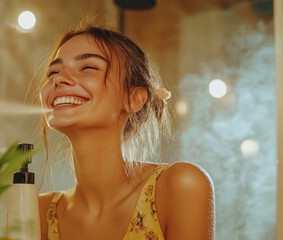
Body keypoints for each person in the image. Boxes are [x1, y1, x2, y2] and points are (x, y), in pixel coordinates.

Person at [38, 21, 215, 240]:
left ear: (134, 99)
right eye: (53, 71)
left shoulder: (179, 187)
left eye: (88, 67)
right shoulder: (42, 212)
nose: (58, 79)